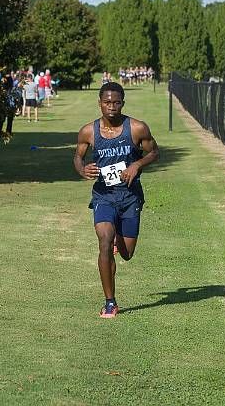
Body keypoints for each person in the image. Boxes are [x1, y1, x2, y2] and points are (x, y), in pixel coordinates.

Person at [73, 82, 160, 318]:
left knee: (126, 253)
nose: (111, 107)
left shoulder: (137, 128)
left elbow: (154, 151)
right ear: (100, 103)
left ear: (123, 102)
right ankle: (110, 302)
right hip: (104, 195)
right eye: (107, 102)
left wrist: (137, 164)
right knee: (104, 241)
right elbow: (78, 157)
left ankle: (116, 241)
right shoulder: (88, 132)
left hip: (130, 197)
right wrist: (83, 170)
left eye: (116, 102)